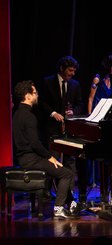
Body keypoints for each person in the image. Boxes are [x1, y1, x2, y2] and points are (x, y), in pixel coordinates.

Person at [12, 80, 78, 219]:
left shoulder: (17, 114)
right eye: (35, 93)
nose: (37, 96)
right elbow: (35, 143)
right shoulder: (29, 117)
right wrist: (49, 156)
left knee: (58, 169)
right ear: (27, 96)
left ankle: (72, 202)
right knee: (67, 173)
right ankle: (59, 208)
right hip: (31, 160)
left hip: (25, 158)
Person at [37, 55, 86, 206]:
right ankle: (45, 191)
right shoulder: (47, 82)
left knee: (70, 161)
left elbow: (79, 103)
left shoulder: (75, 85)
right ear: (62, 69)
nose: (72, 73)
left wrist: (74, 112)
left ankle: (68, 194)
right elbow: (42, 102)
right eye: (70, 70)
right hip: (52, 127)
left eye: (74, 71)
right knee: (53, 159)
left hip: (69, 129)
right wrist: (53, 113)